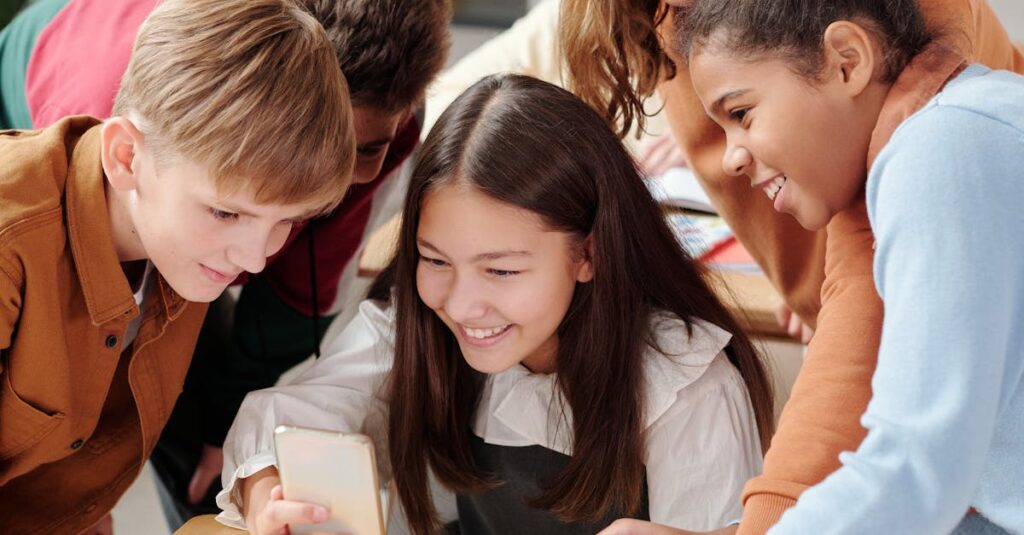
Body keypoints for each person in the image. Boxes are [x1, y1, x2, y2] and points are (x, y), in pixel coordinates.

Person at [215, 73, 776, 535]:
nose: (462, 305)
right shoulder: (421, 323)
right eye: (435, 260)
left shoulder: (684, 384)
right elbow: (296, 416)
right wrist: (269, 490)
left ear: (589, 254)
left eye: (501, 270)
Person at [556, 1, 1024, 533]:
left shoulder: (938, 152)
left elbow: (916, 467)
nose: (730, 159)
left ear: (847, 61)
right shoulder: (951, 120)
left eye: (741, 114)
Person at [2, 0, 452, 526]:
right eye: (225, 212)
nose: (255, 261)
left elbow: (294, 294)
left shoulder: (182, 236)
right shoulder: (149, 144)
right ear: (126, 158)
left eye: (288, 222)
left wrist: (80, 509)